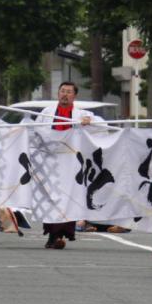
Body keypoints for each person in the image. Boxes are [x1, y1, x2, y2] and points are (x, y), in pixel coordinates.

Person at [36, 81, 99, 250]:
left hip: (71, 163)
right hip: (50, 162)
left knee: (68, 198)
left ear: (74, 96)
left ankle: (58, 235)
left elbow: (99, 125)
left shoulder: (81, 114)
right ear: (58, 93)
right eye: (62, 91)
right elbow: (36, 132)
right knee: (51, 198)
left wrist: (89, 121)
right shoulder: (47, 113)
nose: (65, 94)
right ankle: (52, 234)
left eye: (69, 92)